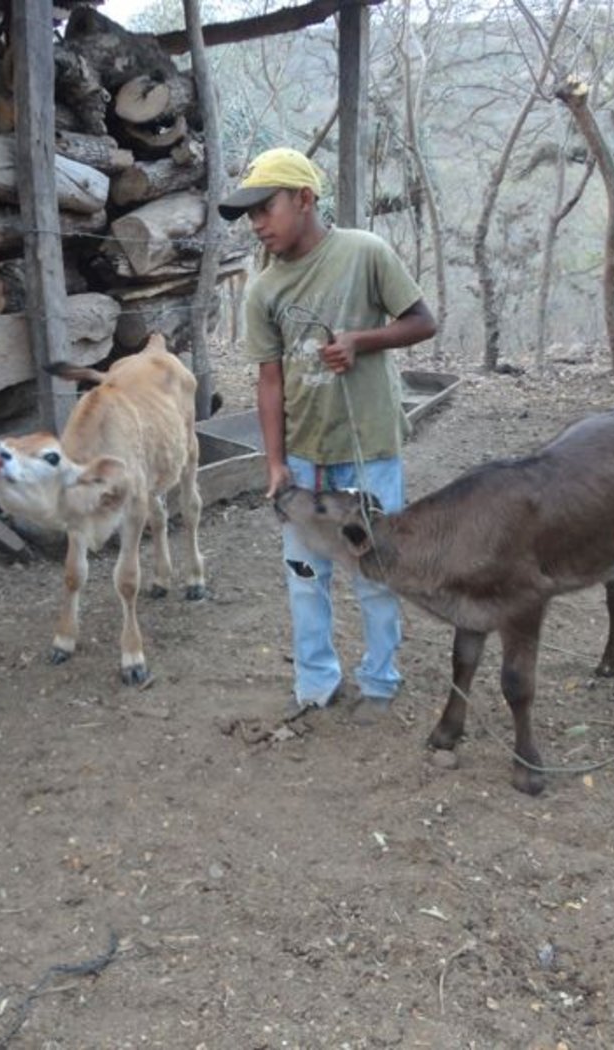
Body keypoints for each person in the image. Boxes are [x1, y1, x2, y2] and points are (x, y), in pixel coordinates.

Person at [218, 147, 437, 715]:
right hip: (304, 458)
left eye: (265, 208)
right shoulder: (264, 290)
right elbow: (270, 382)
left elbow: (422, 322)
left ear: (305, 199)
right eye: (249, 214)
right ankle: (315, 683)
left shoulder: (364, 253)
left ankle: (380, 680)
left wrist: (361, 340)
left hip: (369, 450)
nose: (256, 224)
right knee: (304, 574)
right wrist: (275, 463)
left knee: (375, 569)